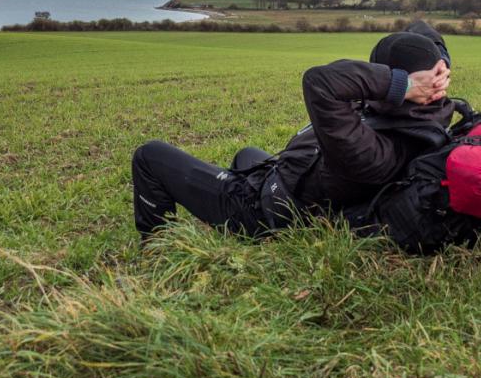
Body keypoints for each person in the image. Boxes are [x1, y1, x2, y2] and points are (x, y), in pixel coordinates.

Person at [132, 22, 453, 241]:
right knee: (245, 154)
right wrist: (435, 61)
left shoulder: (370, 150)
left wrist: (401, 84)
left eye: (381, 72)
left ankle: (157, 249)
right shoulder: (425, 116)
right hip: (287, 180)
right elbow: (418, 34)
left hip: (262, 212)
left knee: (150, 156)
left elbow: (321, 82)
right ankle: (214, 201)